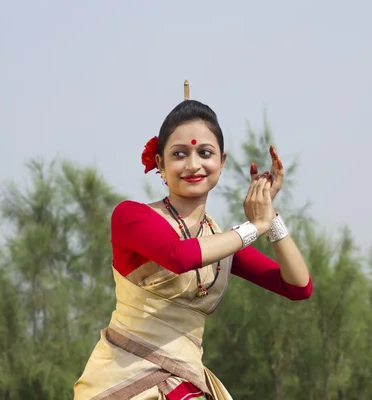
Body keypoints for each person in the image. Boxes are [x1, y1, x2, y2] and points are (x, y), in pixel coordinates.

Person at [73, 83, 312, 400]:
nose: (193, 164)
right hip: (124, 381)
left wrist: (272, 218)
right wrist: (254, 227)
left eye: (205, 153)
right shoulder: (131, 217)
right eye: (179, 154)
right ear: (160, 163)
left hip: (185, 381)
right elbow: (179, 256)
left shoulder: (219, 243)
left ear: (222, 162)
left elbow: (297, 287)